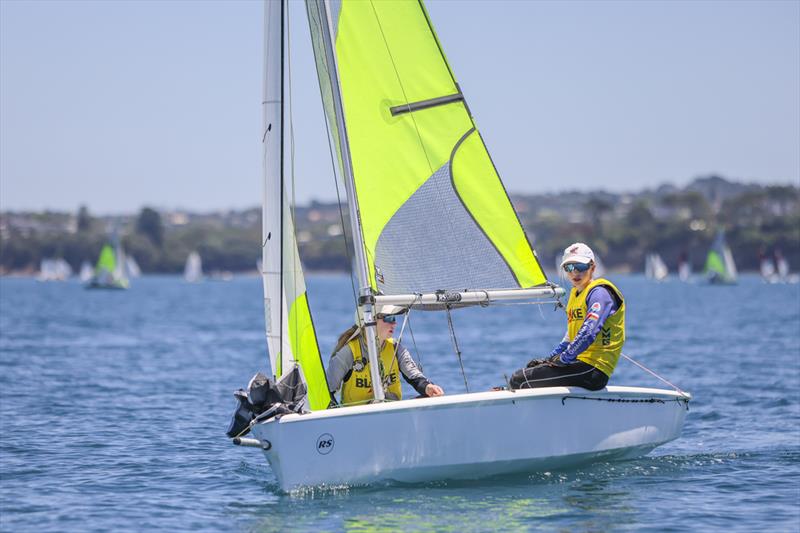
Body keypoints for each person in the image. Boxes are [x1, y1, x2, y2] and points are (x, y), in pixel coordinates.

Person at [509, 242, 625, 391]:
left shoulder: (599, 293)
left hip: (593, 370)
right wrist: (550, 359)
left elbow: (588, 332)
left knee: (520, 380)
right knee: (530, 371)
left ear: (592, 268)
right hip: (578, 364)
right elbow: (570, 338)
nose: (574, 273)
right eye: (569, 268)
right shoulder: (574, 295)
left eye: (581, 267)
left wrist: (564, 358)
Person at [326, 304, 444, 406]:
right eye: (389, 318)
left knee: (431, 399)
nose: (394, 323)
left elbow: (415, 378)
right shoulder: (349, 352)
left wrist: (428, 387)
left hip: (390, 414)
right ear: (369, 320)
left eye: (395, 318)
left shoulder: (396, 348)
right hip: (357, 419)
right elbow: (326, 393)